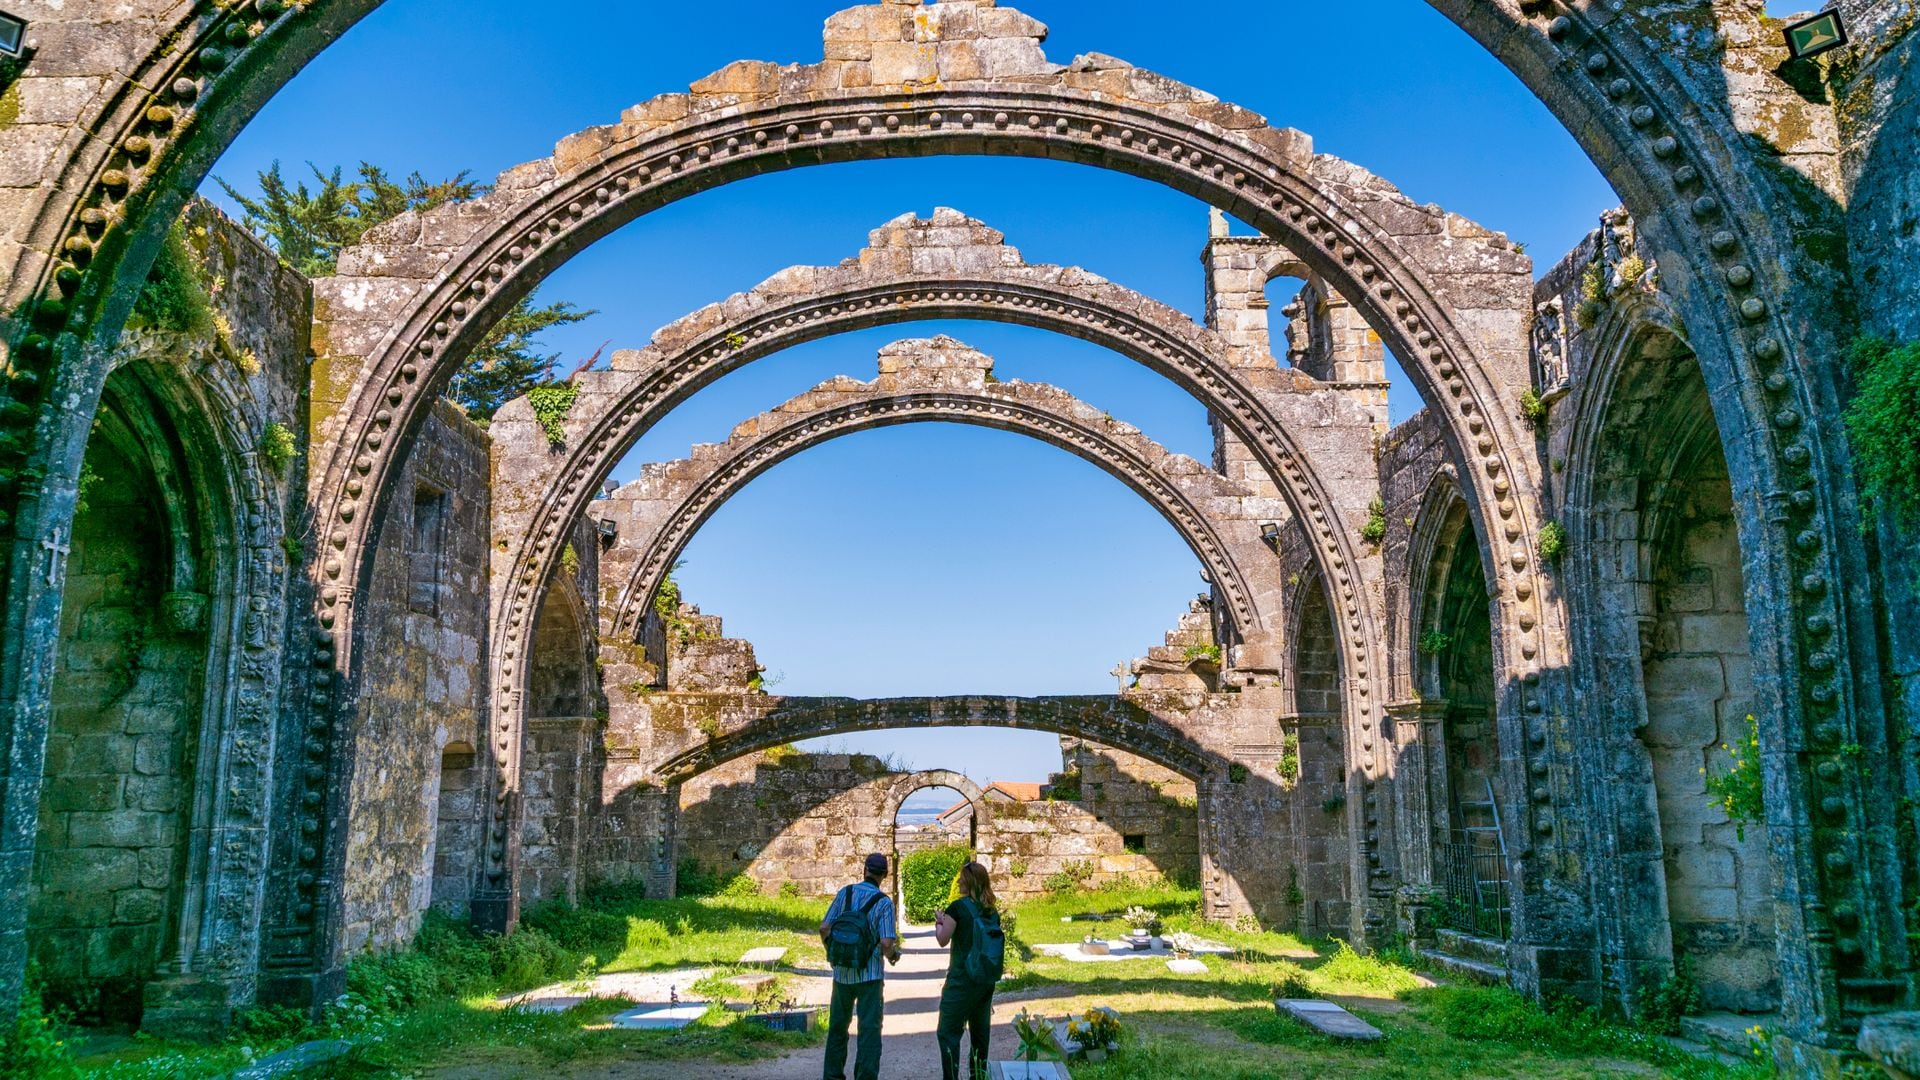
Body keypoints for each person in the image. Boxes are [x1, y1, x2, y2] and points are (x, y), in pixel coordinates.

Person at [819, 852, 901, 1080]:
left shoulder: (845, 893)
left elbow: (824, 928)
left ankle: (833, 1075)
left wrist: (832, 952)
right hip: (870, 976)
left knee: (837, 1028)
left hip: (842, 974)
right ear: (885, 874)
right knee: (869, 1031)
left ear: (864, 870)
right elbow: (886, 942)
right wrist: (893, 955)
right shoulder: (884, 903)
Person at [935, 861, 1005, 1080]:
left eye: (961, 878)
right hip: (984, 981)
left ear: (968, 881)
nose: (958, 881)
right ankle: (978, 1076)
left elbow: (942, 940)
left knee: (948, 1033)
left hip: (961, 980)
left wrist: (939, 922)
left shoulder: (956, 908)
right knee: (980, 1035)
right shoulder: (991, 912)